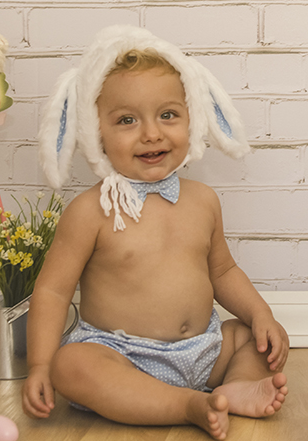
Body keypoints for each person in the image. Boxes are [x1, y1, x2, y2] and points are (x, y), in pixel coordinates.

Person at [23, 25, 289, 439]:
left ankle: (233, 389)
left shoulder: (203, 200)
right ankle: (186, 405)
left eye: (168, 115)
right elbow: (54, 291)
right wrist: (40, 364)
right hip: (121, 355)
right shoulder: (90, 211)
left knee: (249, 340)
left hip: (202, 349)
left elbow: (222, 273)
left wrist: (261, 315)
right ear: (97, 134)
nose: (151, 133)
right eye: (127, 120)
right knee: (71, 365)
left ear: (192, 118)